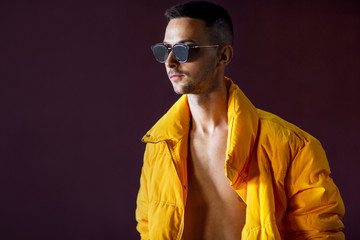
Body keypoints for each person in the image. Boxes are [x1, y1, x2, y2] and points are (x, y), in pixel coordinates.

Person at [136, 1, 345, 239]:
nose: (170, 62)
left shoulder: (292, 146)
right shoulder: (159, 146)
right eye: (164, 50)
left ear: (222, 56)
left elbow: (319, 233)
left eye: (185, 50)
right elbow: (148, 226)